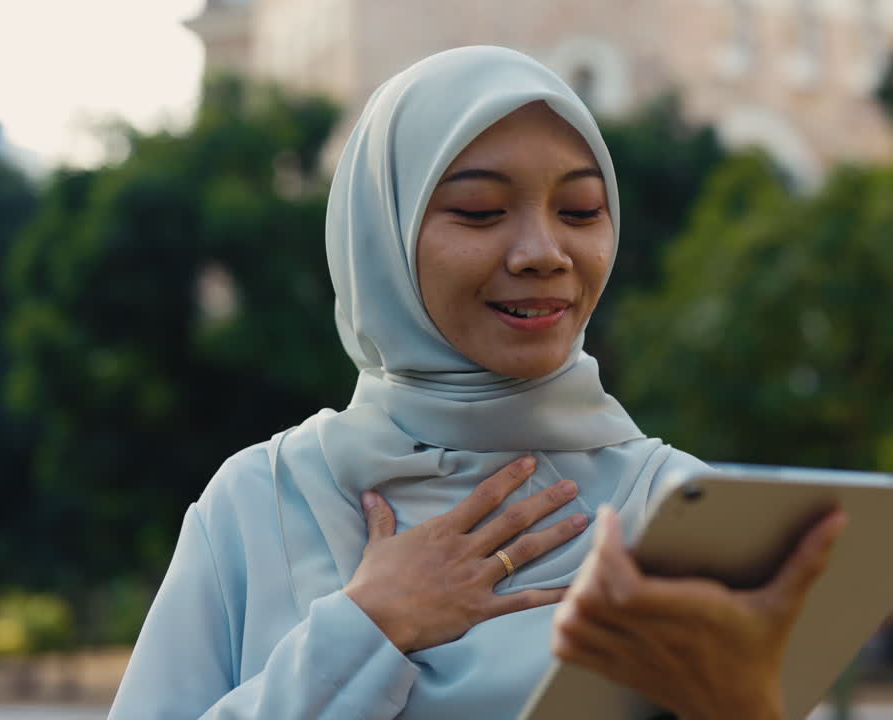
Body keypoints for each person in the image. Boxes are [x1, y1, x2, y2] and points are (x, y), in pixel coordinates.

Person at [108, 46, 846, 720]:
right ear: (380, 235)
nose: (544, 252)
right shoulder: (263, 501)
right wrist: (370, 625)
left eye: (581, 211)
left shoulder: (671, 507)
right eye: (480, 211)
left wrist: (749, 704)